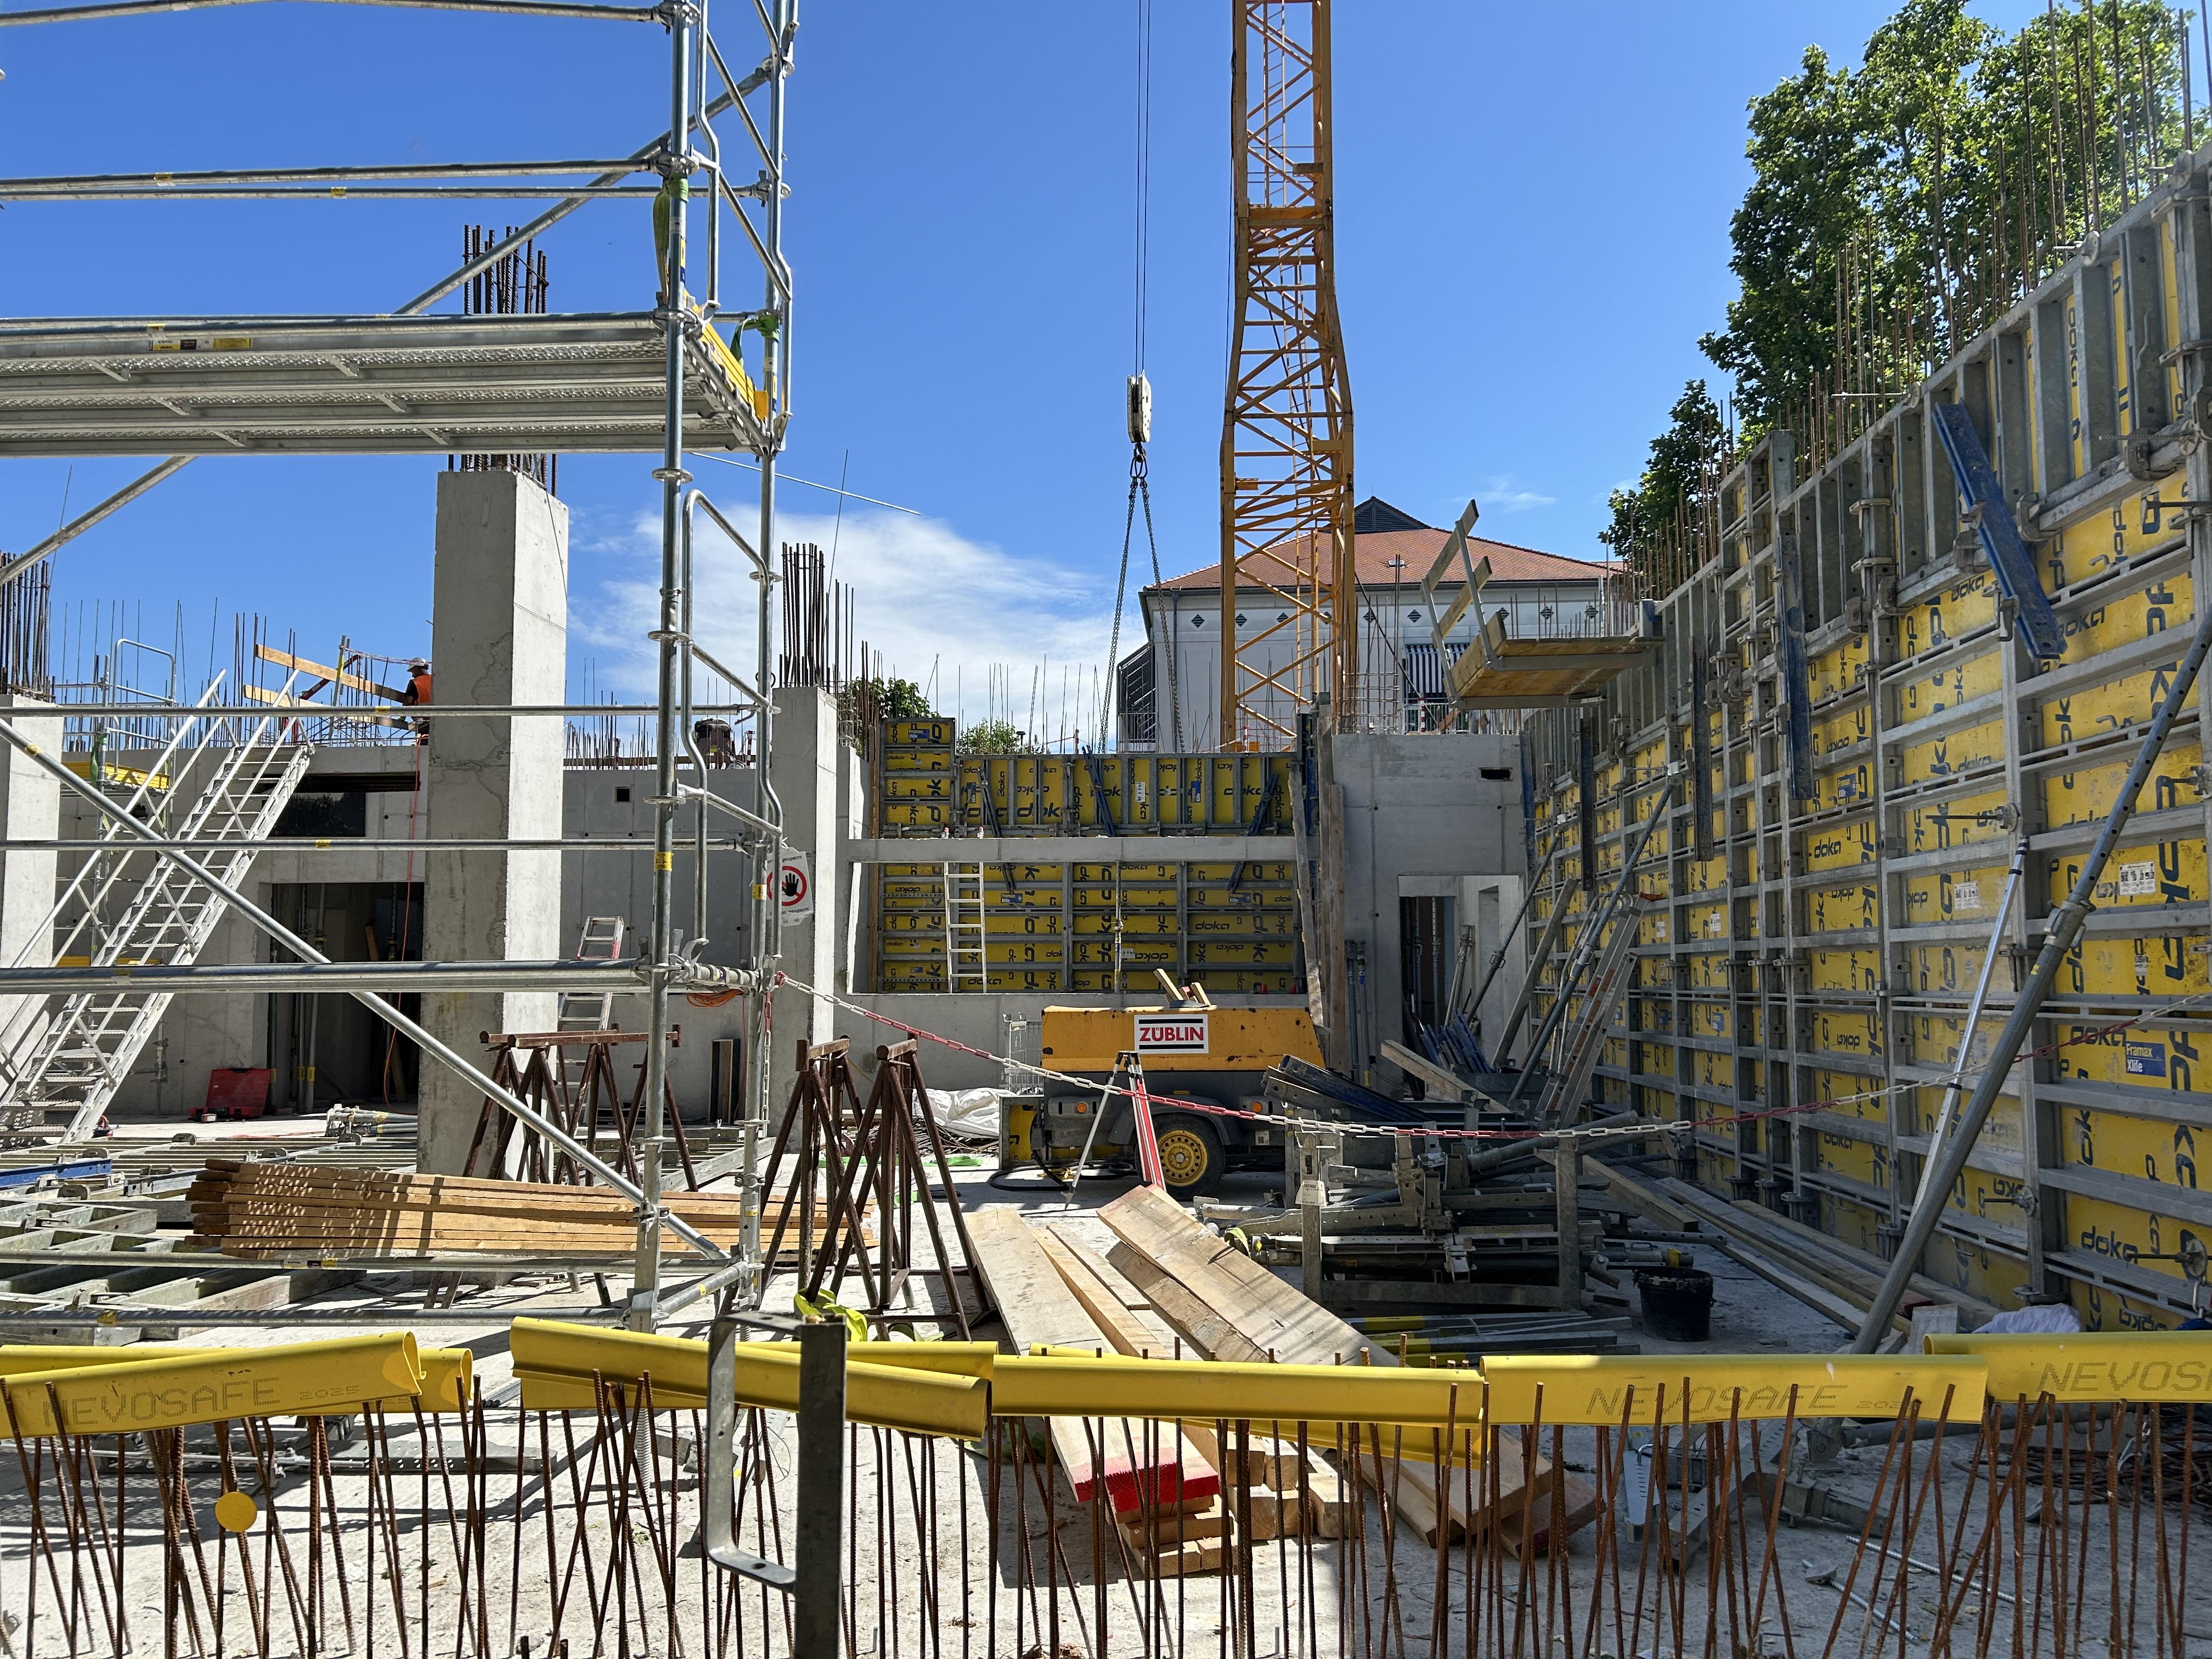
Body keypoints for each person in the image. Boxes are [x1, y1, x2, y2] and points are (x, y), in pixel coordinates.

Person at [400, 659, 432, 741]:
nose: (412, 675)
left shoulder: (415, 682)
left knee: (425, 746)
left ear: (417, 668)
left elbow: (408, 703)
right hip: (441, 718)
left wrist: (402, 717)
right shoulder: (436, 679)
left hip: (424, 722)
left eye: (412, 672)